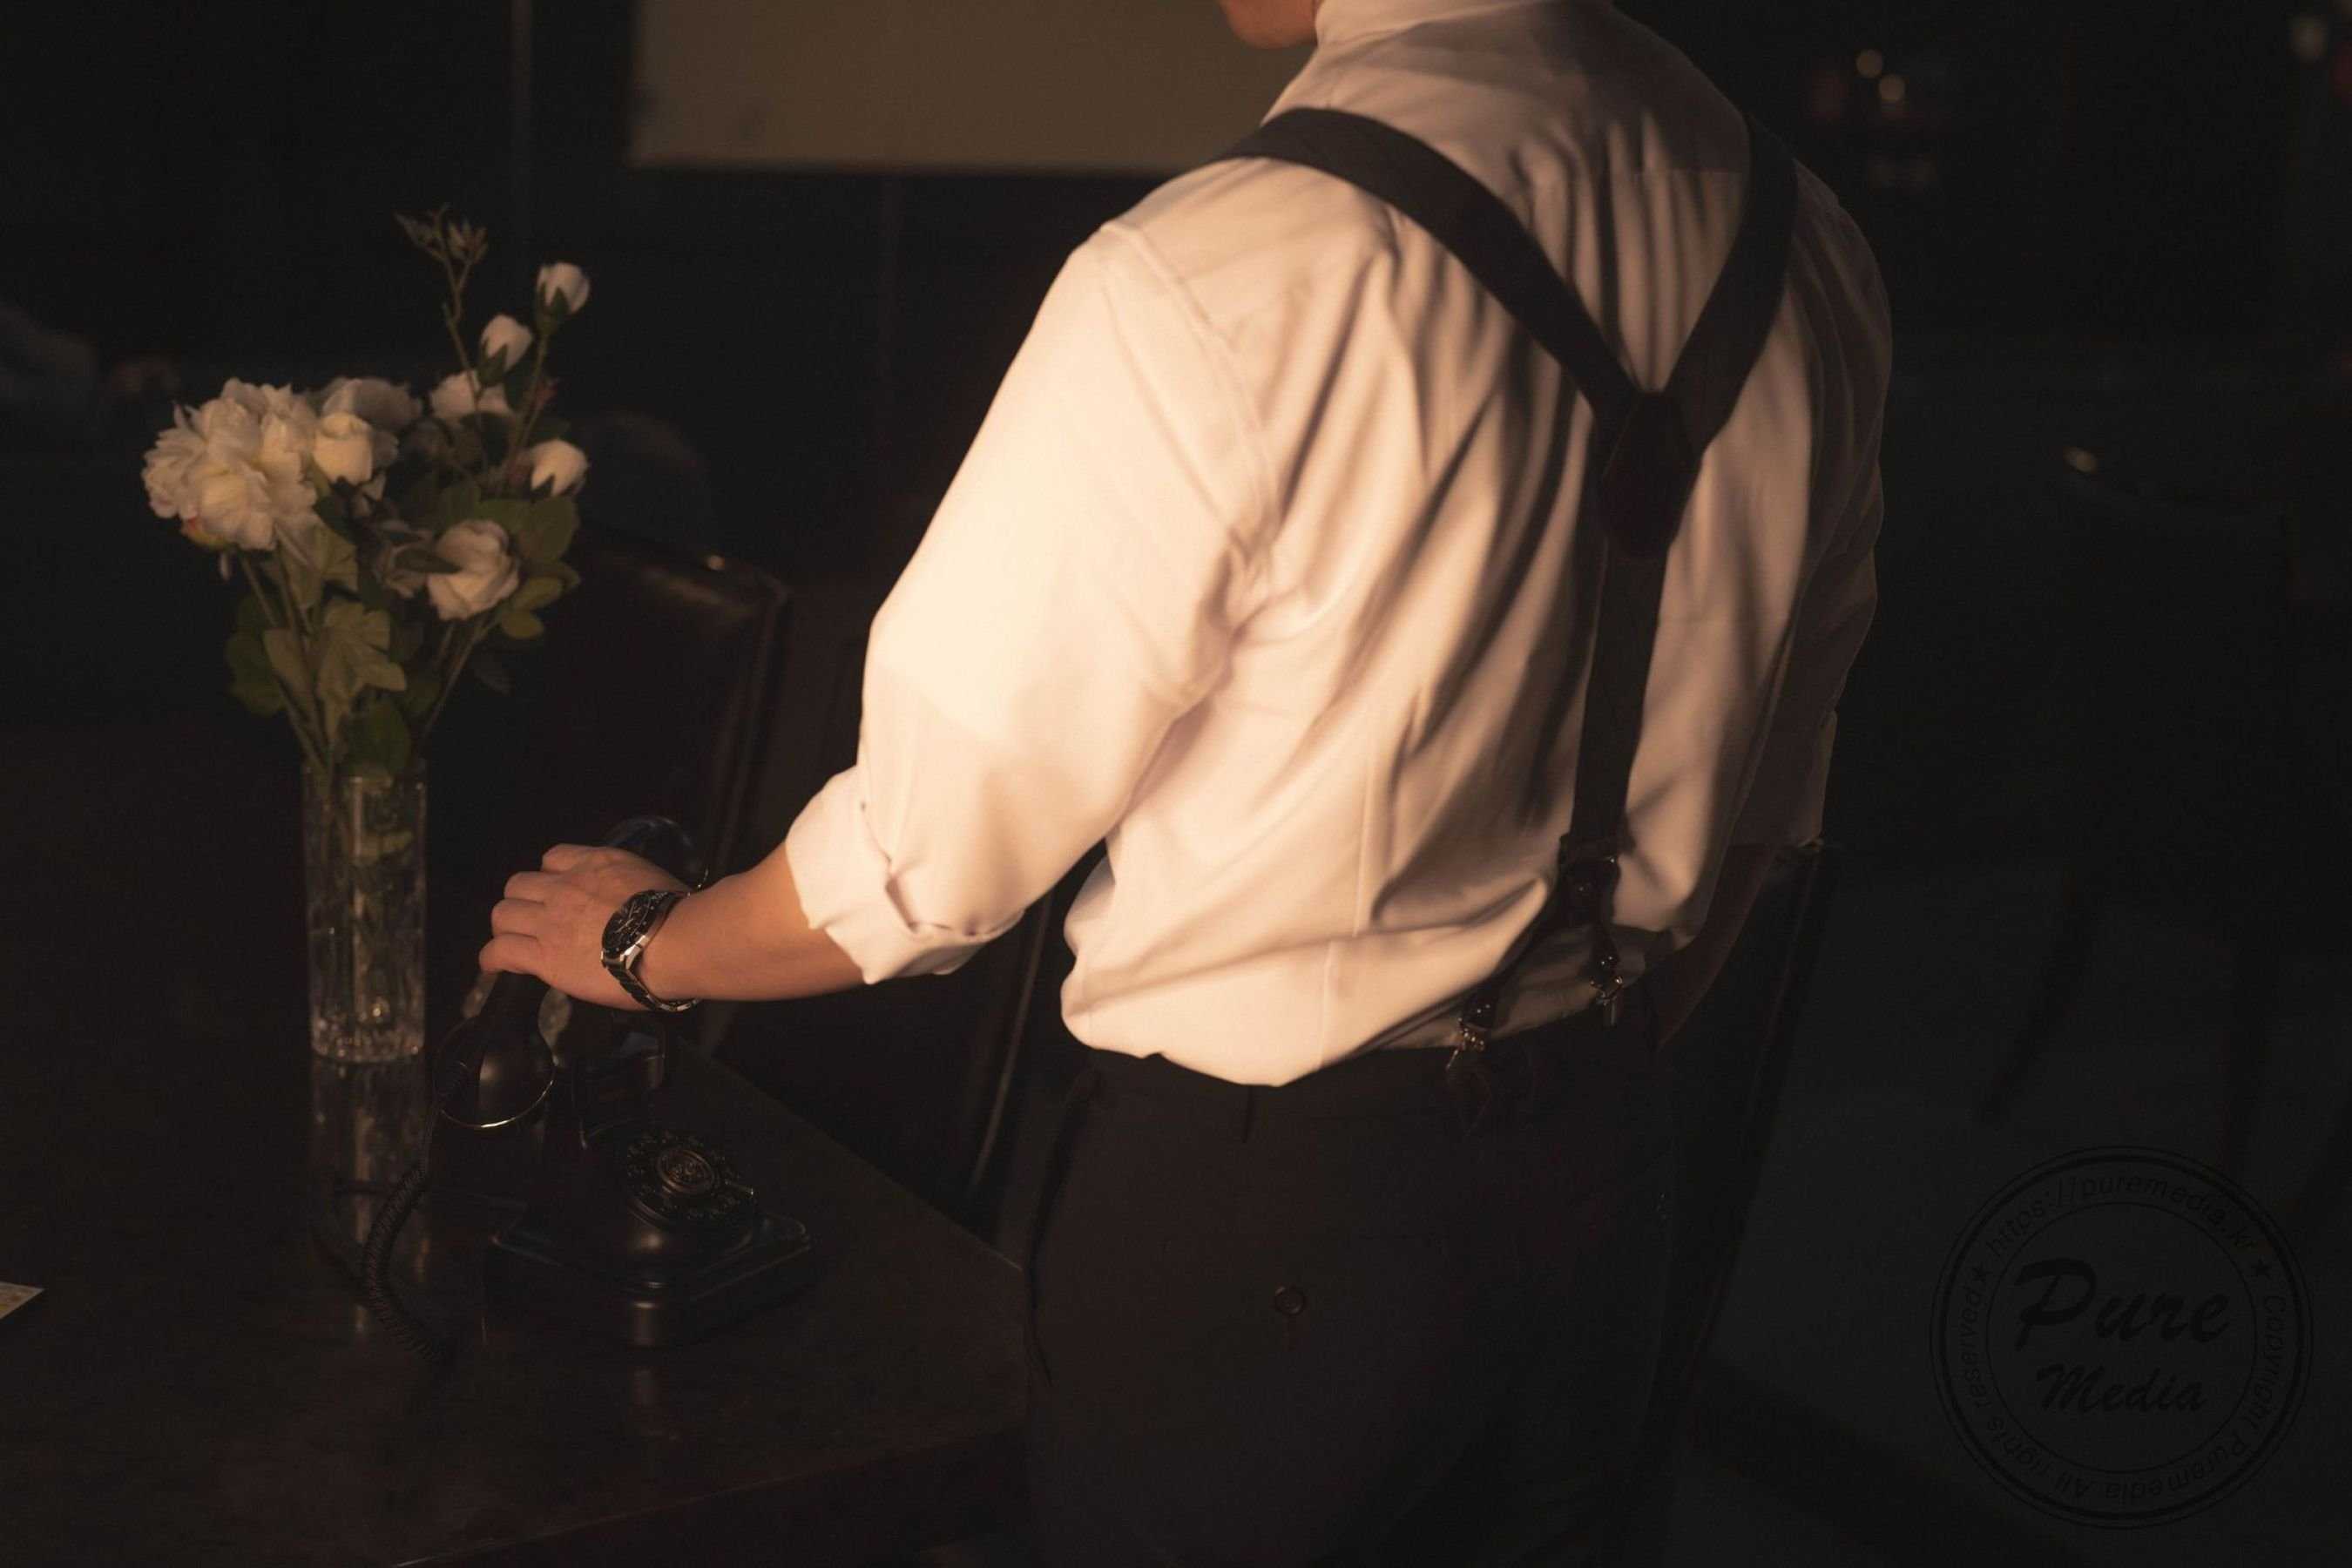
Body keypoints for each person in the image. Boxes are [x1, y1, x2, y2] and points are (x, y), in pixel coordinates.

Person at [480, 0, 1890, 1560]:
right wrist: (1575, 1063)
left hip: (1273, 1241)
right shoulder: (1800, 235)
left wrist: (646, 943)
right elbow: (1773, 795)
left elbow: (930, 855)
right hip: (1613, 1180)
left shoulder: (1224, 267)